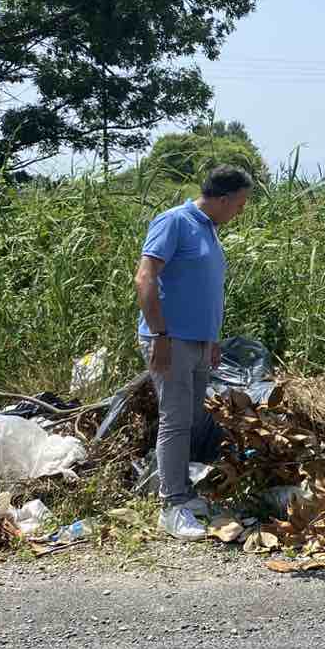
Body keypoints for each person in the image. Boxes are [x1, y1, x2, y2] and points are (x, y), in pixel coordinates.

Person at [134, 164, 252, 540]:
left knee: (191, 418)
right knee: (175, 419)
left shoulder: (210, 231)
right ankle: (171, 506)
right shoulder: (175, 222)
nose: (241, 211)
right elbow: (145, 276)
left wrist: (212, 338)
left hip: (199, 342)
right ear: (222, 199)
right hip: (171, 339)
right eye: (240, 203)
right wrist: (160, 334)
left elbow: (204, 289)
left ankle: (182, 493)